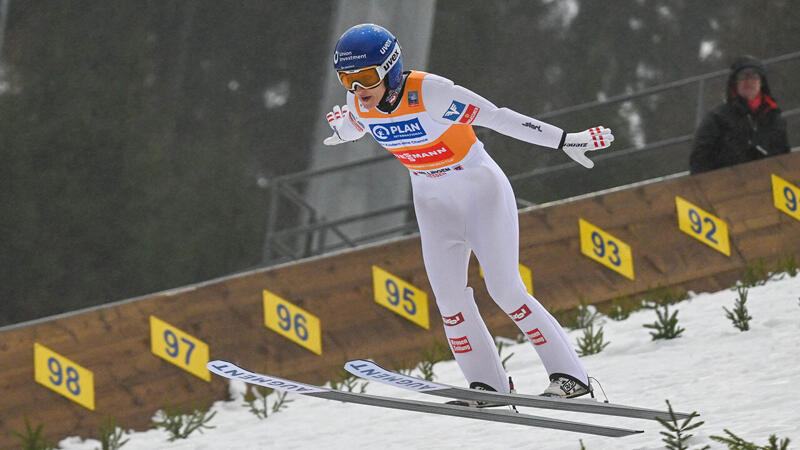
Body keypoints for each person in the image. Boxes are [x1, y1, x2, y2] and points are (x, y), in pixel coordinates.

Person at [324, 24, 613, 399]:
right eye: (347, 80)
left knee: (506, 291)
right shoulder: (359, 101)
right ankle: (488, 383)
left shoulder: (433, 93)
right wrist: (344, 130)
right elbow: (357, 124)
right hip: (432, 202)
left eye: (364, 77)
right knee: (449, 300)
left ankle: (571, 377)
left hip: (480, 191)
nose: (358, 90)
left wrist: (563, 140)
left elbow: (499, 117)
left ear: (391, 68)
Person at [690, 55, 790, 174]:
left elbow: (785, 159)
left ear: (761, 82)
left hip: (769, 185)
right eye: (743, 76)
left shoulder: (775, 118)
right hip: (726, 187)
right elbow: (699, 159)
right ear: (734, 83)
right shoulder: (717, 118)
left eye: (754, 76)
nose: (749, 81)